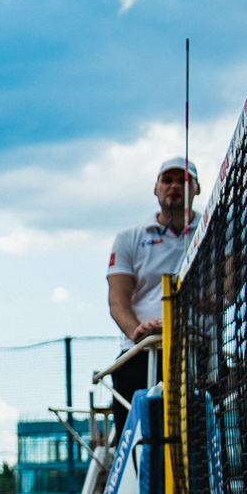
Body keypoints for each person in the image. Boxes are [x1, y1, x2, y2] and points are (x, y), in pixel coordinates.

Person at [106, 156, 201, 426]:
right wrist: (136, 331)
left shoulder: (213, 229)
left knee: (196, 437)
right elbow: (117, 299)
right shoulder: (129, 238)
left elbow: (228, 287)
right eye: (167, 180)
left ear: (196, 188)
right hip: (140, 352)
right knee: (137, 436)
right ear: (156, 188)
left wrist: (210, 301)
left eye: (182, 180)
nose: (174, 186)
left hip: (196, 350)